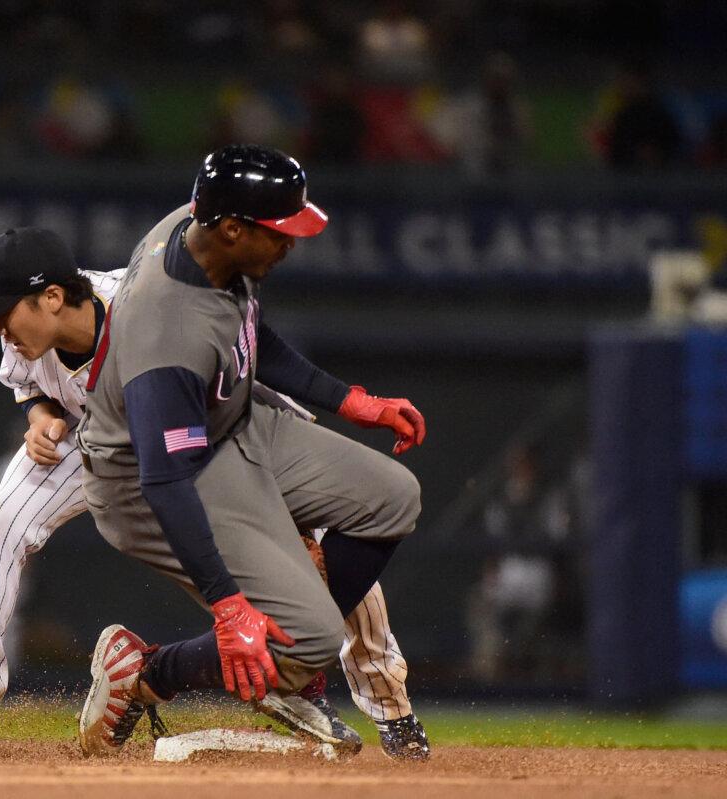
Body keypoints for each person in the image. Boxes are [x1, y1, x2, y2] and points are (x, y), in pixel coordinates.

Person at [0, 225, 426, 759]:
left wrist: (348, 403)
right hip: (91, 440)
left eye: (3, 311)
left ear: (54, 297)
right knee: (0, 526)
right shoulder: (25, 328)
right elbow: (26, 383)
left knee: (321, 532)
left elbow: (252, 354)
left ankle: (388, 707)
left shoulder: (149, 304)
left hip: (193, 432)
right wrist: (41, 416)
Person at [75, 145, 430, 760]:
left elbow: (245, 331)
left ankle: (287, 652)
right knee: (311, 639)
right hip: (156, 478)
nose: (290, 243)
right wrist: (229, 605)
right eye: (279, 231)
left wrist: (350, 401)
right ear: (234, 228)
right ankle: (149, 672)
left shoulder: (198, 232)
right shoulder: (168, 332)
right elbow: (166, 481)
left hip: (232, 426)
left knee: (394, 497)